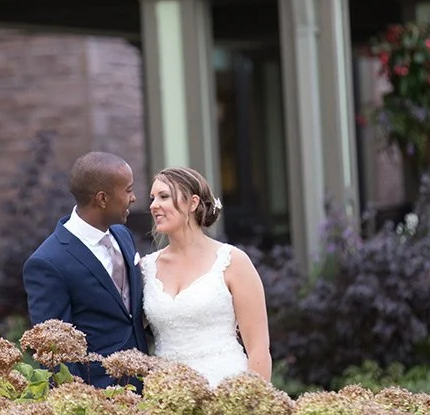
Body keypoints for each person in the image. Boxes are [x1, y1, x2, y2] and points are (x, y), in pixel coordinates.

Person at [22, 150, 147, 387]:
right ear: (102, 199)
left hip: (146, 386)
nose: (134, 198)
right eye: (128, 190)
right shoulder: (48, 262)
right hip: (100, 396)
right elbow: (54, 354)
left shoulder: (123, 235)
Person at [141, 167, 272, 386]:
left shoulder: (233, 262)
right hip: (167, 396)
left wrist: (252, 405)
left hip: (226, 390)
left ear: (192, 203)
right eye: (153, 198)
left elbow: (258, 348)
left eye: (164, 196)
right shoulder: (145, 269)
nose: (154, 205)